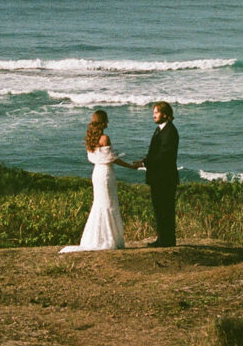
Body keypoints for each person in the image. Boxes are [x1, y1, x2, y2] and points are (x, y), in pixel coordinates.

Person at [60, 109, 137, 253]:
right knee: (108, 203)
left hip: (97, 172)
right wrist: (131, 166)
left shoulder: (91, 138)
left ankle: (99, 238)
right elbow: (112, 158)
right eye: (106, 120)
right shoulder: (105, 138)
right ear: (102, 121)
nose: (108, 122)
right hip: (106, 173)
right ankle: (108, 239)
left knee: (100, 204)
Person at [136, 101, 179, 247]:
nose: (153, 115)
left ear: (165, 115)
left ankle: (167, 241)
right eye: (153, 112)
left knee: (165, 208)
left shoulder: (170, 131)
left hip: (165, 178)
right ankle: (163, 239)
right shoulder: (161, 130)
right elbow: (157, 153)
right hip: (159, 177)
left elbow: (164, 155)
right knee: (159, 208)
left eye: (156, 112)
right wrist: (146, 160)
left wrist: (145, 162)